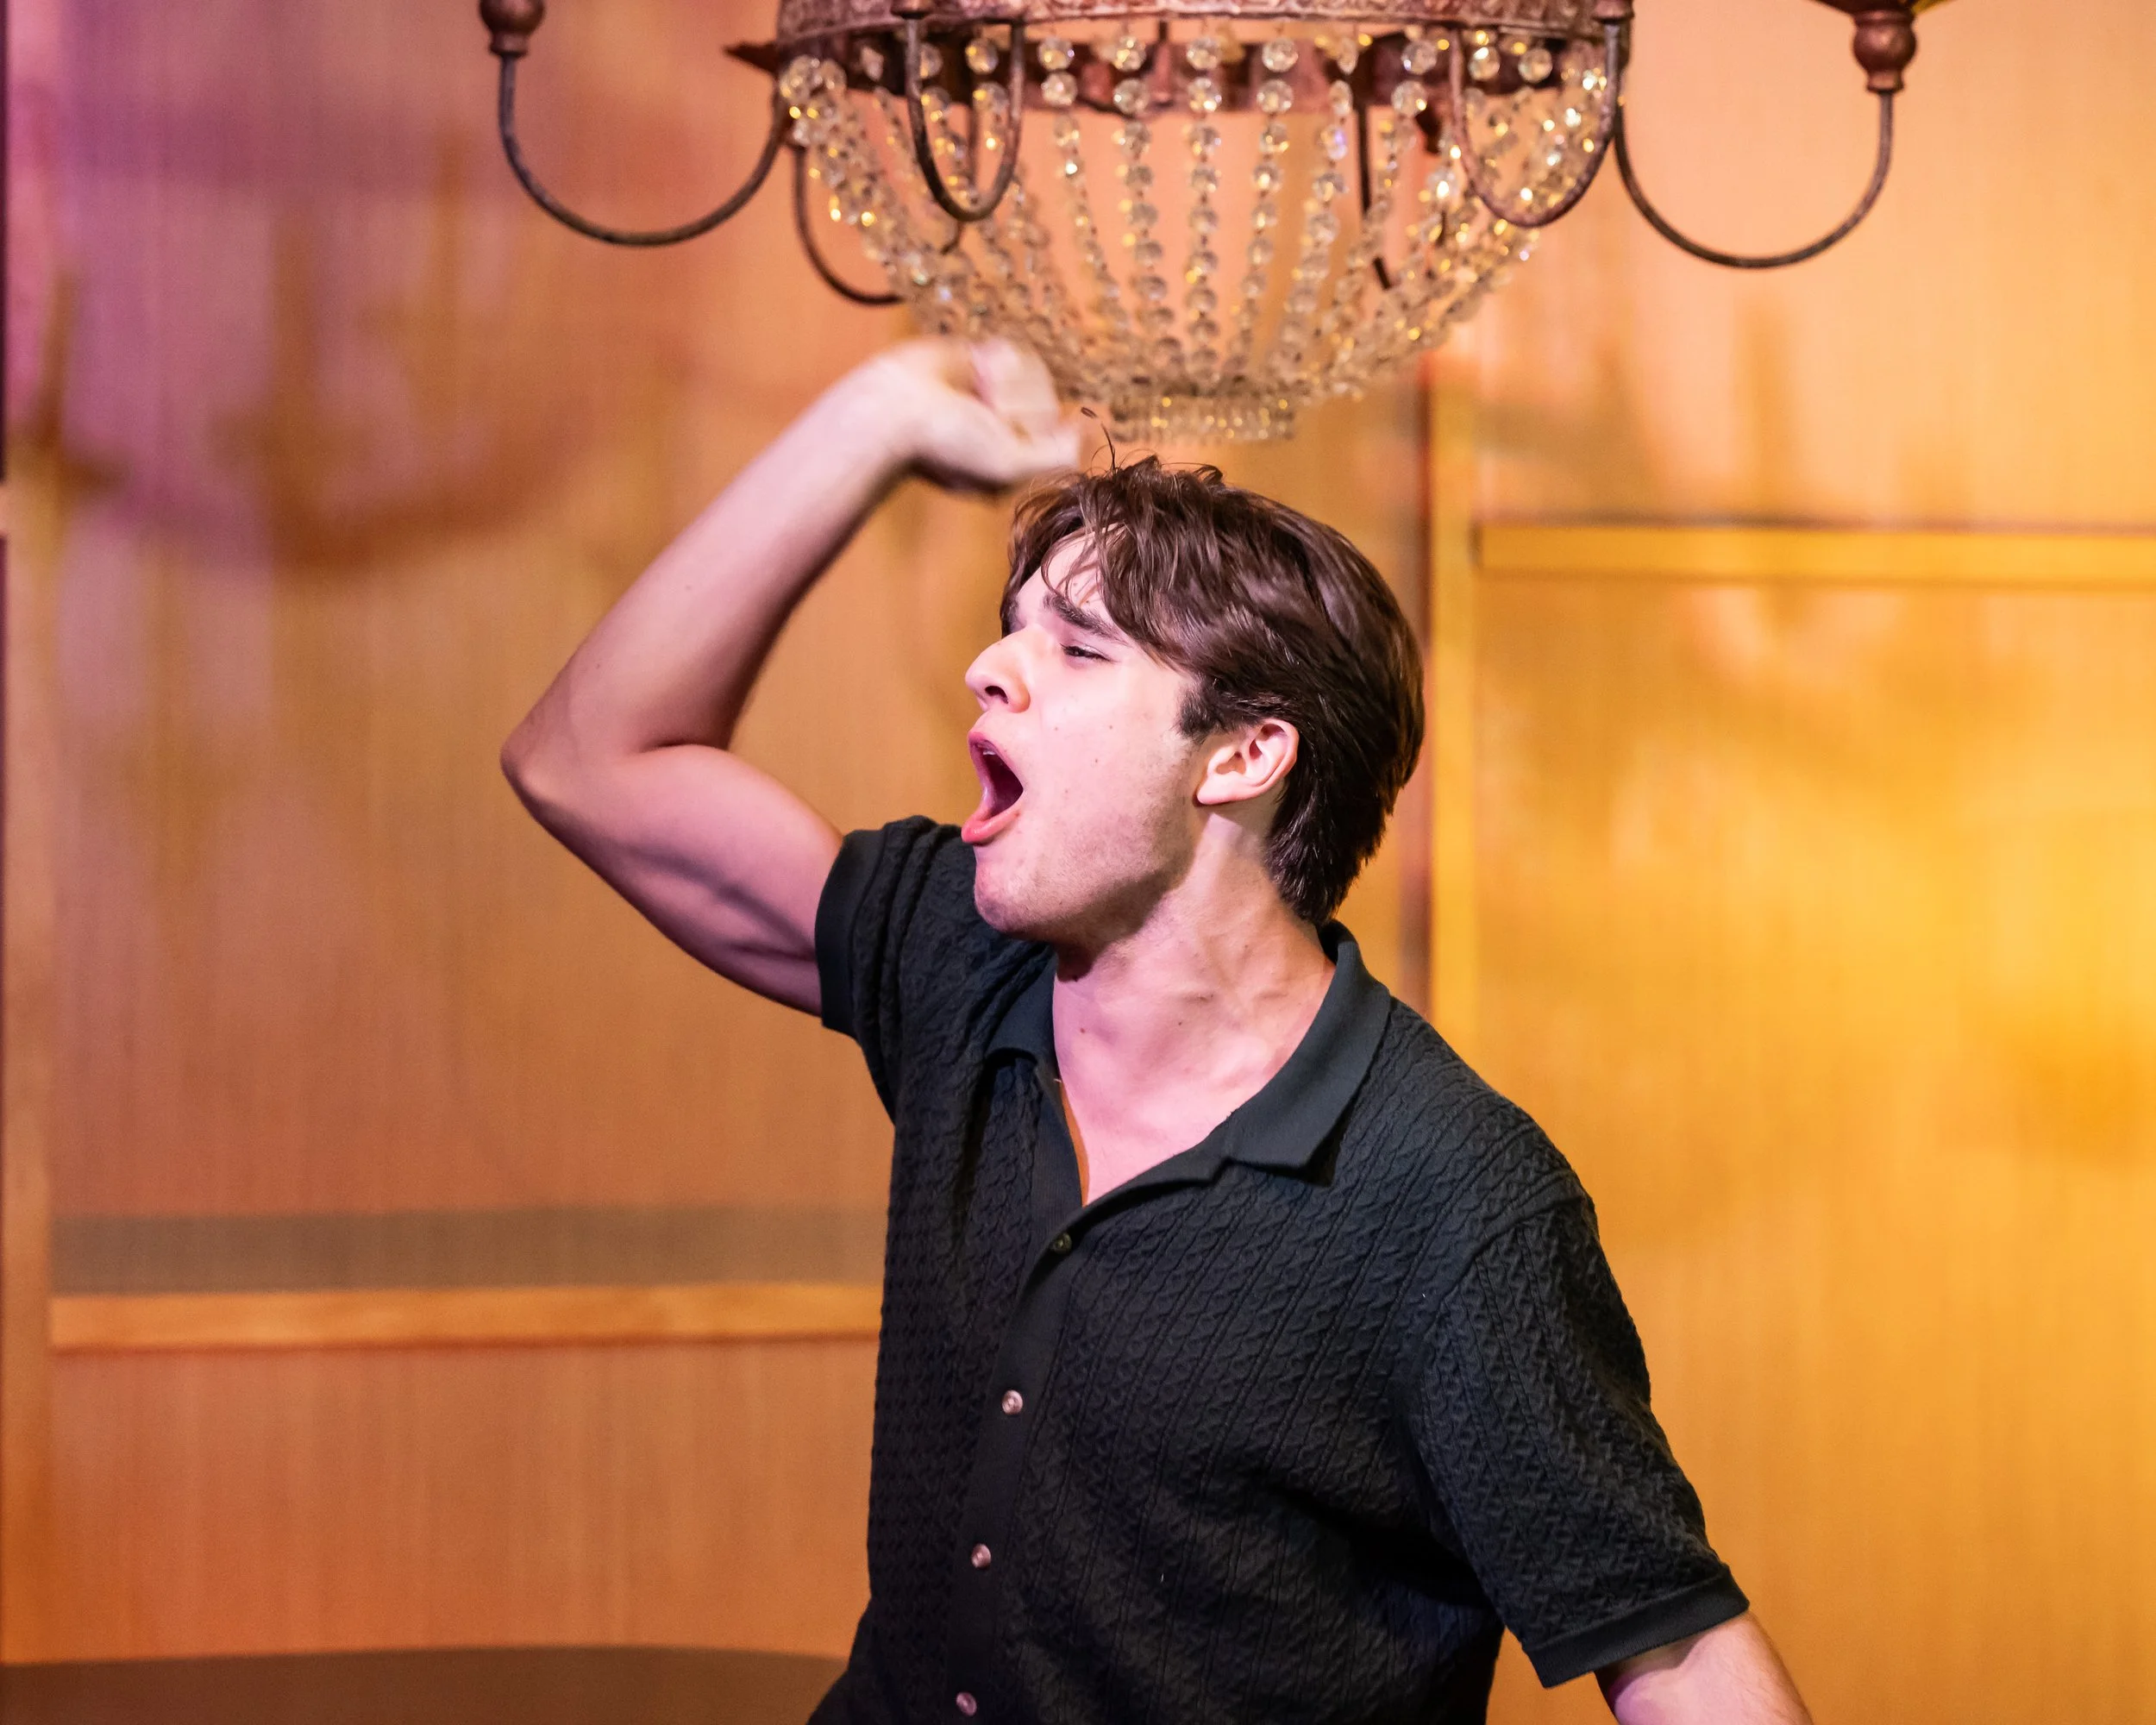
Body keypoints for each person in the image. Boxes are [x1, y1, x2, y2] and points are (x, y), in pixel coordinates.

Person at [502, 339, 1811, 1725]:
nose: (988, 669)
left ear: (1241, 755)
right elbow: (586, 761)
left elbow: (1677, 1657)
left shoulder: (1447, 1198)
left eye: (1077, 648)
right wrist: (873, 420)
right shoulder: (965, 959)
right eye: (1013, 629)